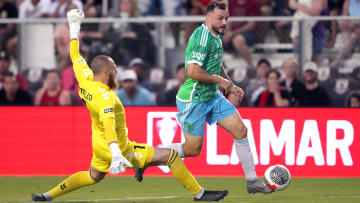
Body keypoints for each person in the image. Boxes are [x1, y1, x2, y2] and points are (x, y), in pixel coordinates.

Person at [31, 9, 228, 202]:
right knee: (172, 156)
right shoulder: (106, 97)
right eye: (115, 70)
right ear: (107, 73)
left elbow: (75, 56)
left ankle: (47, 196)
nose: (117, 73)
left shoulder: (86, 79)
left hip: (98, 145)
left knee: (93, 176)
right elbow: (109, 124)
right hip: (118, 148)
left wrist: (74, 28)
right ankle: (200, 195)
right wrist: (116, 153)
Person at [136, 1, 272, 194]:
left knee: (240, 130)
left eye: (226, 18)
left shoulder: (216, 35)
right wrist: (220, 82)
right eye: (220, 18)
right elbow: (192, 71)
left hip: (212, 96)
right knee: (192, 149)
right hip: (194, 99)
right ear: (208, 18)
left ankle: (252, 181)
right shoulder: (201, 37)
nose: (224, 22)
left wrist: (230, 84)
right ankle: (147, 158)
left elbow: (216, 62)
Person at [223, 0, 262, 68]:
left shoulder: (254, 3)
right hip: (233, 32)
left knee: (238, 40)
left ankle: (250, 66)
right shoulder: (232, 2)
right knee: (215, 38)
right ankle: (222, 66)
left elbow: (251, 25)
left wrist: (232, 33)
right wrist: (227, 33)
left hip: (250, 33)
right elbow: (228, 20)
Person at [330, 0, 360, 67]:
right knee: (351, 32)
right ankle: (344, 58)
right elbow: (344, 16)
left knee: (354, 35)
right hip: (352, 27)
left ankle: (338, 60)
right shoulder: (348, 2)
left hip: (357, 28)